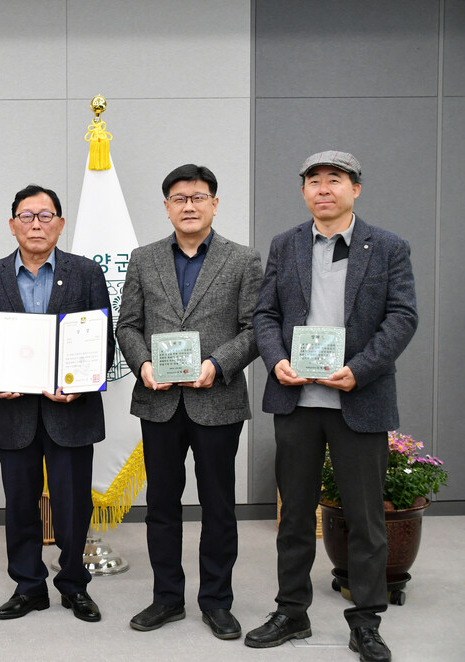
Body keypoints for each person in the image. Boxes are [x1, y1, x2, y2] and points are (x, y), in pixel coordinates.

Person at [247, 151, 418, 662]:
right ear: (303, 191)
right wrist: (276, 360)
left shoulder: (388, 246)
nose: (324, 189)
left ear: (355, 189)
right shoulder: (286, 244)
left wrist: (360, 369)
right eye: (314, 181)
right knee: (294, 517)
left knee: (365, 519)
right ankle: (291, 611)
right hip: (297, 398)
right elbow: (265, 314)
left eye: (335, 180)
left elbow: (402, 317)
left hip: (359, 398)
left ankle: (365, 621)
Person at [115, 165, 262, 639]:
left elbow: (255, 328)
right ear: (167, 207)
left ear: (214, 204)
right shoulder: (144, 258)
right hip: (158, 401)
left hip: (217, 399)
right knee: (161, 504)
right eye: (179, 199)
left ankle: (216, 601)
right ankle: (167, 598)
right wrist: (142, 365)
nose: (189, 206)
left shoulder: (243, 259)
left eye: (199, 197)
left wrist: (217, 364)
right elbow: (127, 325)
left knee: (218, 505)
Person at [0, 184, 113, 623]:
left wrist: (82, 383)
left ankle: (74, 585)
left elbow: (102, 339)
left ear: (60, 224)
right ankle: (28, 586)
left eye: (45, 216)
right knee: (19, 506)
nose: (36, 224)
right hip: (14, 413)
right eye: (27, 216)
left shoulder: (86, 273)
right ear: (12, 224)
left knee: (73, 508)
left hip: (71, 411)